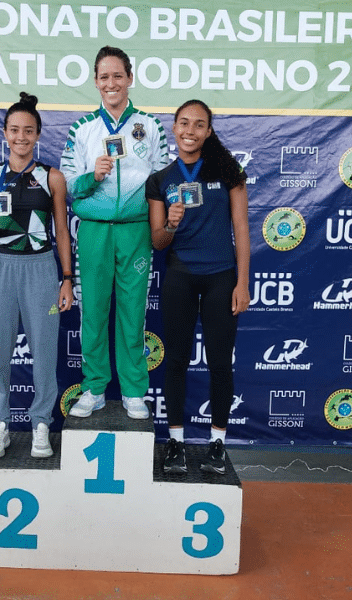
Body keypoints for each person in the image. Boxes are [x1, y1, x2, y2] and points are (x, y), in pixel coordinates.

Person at [60, 46, 170, 420]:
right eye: (104, 77)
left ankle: (134, 391)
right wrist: (92, 176)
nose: (111, 83)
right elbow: (69, 185)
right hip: (94, 231)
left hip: (136, 231)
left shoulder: (149, 126)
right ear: (96, 81)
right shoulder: (82, 128)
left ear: (130, 78)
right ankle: (94, 388)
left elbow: (163, 179)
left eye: (117, 76)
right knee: (92, 311)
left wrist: (163, 221)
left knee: (133, 313)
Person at [147, 99, 250, 475]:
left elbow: (241, 229)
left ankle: (217, 445)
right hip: (180, 277)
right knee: (176, 360)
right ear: (174, 128)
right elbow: (158, 241)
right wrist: (171, 224)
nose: (190, 131)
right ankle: (175, 442)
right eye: (184, 123)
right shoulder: (160, 179)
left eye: (198, 124)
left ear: (208, 131)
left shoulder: (228, 171)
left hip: (222, 277)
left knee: (220, 362)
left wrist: (243, 282)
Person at [0, 93, 74, 459]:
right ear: (5, 133)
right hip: (1, 267)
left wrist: (67, 278)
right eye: (15, 130)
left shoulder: (52, 177)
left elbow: (61, 232)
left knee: (44, 352)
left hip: (41, 269)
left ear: (37, 135)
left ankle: (41, 425)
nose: (21, 137)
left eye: (28, 131)